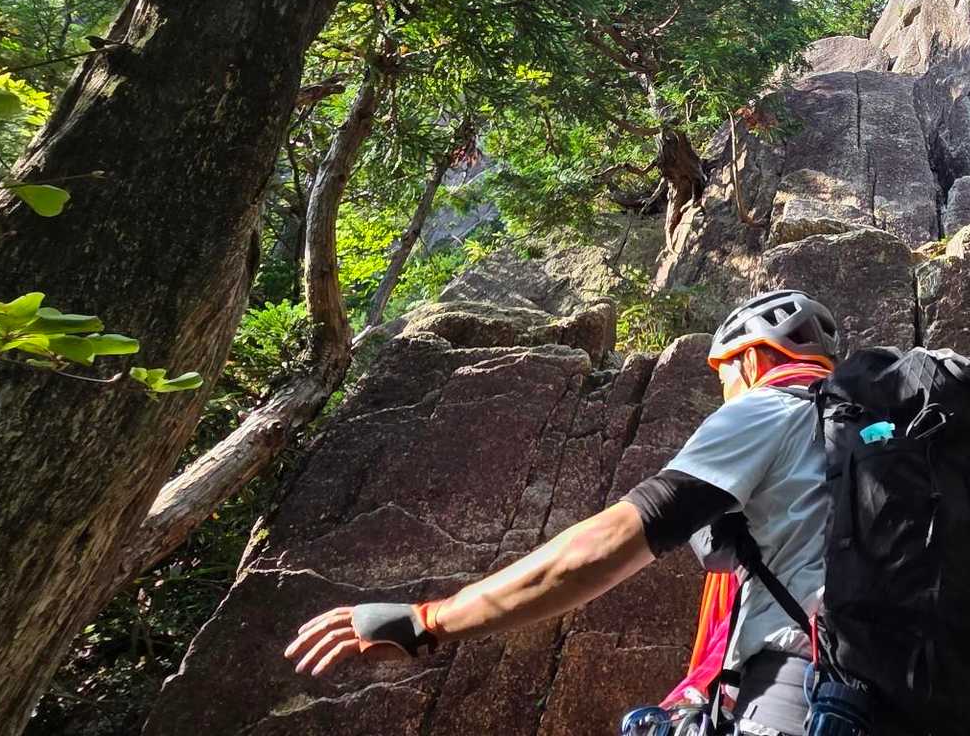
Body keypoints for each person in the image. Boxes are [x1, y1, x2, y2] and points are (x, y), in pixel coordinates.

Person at [284, 288, 841, 735]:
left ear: (751, 358)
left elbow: (599, 548)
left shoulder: (768, 408)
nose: (725, 394)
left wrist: (426, 621)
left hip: (801, 693)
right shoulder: (874, 441)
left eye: (723, 379)